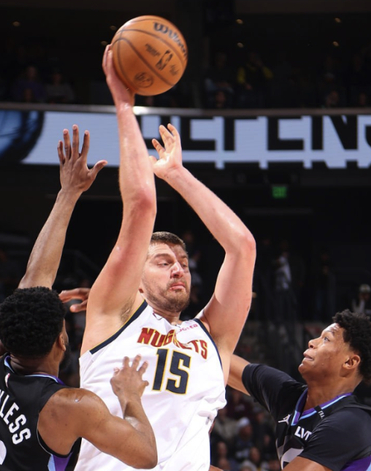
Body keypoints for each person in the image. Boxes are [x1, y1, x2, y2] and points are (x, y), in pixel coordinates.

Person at [75, 46, 256, 471]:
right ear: (134, 279)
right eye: (162, 261)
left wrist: (177, 174)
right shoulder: (113, 314)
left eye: (183, 262)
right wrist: (124, 103)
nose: (178, 268)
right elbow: (141, 204)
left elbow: (242, 247)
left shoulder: (212, 337)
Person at [0, 125, 157, 471]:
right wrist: (130, 397)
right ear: (61, 340)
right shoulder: (69, 405)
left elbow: (32, 284)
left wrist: (69, 193)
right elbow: (146, 455)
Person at [229, 310, 371, 470]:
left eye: (326, 339)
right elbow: (220, 362)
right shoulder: (289, 394)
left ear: (350, 362)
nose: (311, 342)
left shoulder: (352, 423)